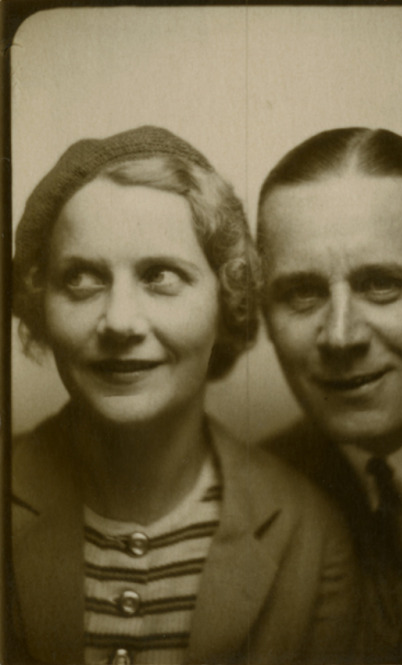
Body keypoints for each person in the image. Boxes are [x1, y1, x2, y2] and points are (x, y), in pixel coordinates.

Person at [10, 126, 358, 665]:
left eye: (160, 276)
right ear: (40, 305)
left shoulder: (308, 537)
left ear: (228, 300)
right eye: (80, 279)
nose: (120, 321)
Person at [257, 127, 402, 663]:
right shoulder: (248, 500)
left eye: (380, 284)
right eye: (302, 292)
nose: (341, 335)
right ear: (265, 314)